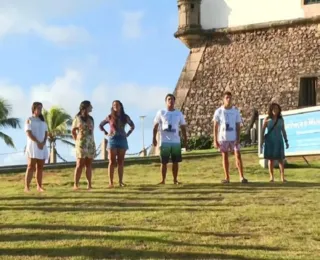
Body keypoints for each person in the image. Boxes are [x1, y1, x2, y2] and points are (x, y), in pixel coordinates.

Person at [213, 91, 248, 184]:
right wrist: (215, 139)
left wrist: (238, 137)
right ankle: (227, 177)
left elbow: (237, 125)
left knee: (238, 155)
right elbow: (215, 126)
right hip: (223, 137)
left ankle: (241, 176)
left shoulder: (235, 111)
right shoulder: (219, 111)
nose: (228, 99)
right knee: (225, 157)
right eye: (226, 98)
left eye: (230, 98)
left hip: (233, 137)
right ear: (223, 99)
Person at [152, 94, 187, 185]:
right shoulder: (161, 112)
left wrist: (185, 140)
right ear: (166, 101)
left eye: (172, 99)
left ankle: (175, 180)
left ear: (174, 101)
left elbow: (183, 127)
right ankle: (163, 180)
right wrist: (154, 138)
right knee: (164, 162)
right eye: (168, 99)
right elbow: (155, 126)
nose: (170, 101)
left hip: (175, 141)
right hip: (165, 141)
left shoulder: (178, 113)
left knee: (175, 162)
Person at [99, 100, 135, 188]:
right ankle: (111, 182)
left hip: (122, 139)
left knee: (120, 161)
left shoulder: (125, 117)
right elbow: (101, 125)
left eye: (117, 105)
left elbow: (132, 125)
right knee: (111, 161)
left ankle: (120, 182)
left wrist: (128, 133)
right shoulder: (110, 117)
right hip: (112, 139)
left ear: (121, 106)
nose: (115, 106)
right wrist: (105, 132)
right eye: (114, 105)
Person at [261, 103, 289, 182]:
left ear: (279, 110)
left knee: (280, 159)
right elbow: (263, 131)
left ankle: (282, 177)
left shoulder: (281, 120)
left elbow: (283, 130)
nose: (275, 110)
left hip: (279, 141)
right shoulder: (267, 119)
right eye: (273, 108)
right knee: (271, 159)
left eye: (276, 108)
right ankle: (271, 177)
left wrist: (286, 140)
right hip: (270, 141)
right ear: (270, 110)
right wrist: (262, 141)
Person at [24, 102, 49, 192]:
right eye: (38, 108)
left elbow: (46, 133)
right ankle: (27, 187)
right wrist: (37, 142)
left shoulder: (43, 121)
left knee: (40, 167)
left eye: (41, 108)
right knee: (31, 166)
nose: (39, 110)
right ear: (34, 109)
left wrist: (43, 142)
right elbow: (28, 133)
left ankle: (39, 186)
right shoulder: (29, 119)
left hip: (42, 145)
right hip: (33, 146)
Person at [72, 100, 96, 190]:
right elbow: (73, 130)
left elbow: (92, 130)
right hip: (81, 143)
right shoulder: (77, 118)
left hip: (90, 142)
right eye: (90, 106)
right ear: (85, 108)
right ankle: (76, 184)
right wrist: (77, 140)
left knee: (88, 164)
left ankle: (89, 184)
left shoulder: (91, 119)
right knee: (79, 164)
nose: (91, 108)